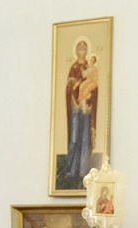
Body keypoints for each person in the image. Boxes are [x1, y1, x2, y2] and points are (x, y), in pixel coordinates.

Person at [63, 40, 97, 181]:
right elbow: (69, 87)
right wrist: (74, 88)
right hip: (75, 107)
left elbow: (95, 86)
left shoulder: (90, 67)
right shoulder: (74, 67)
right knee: (74, 137)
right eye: (80, 48)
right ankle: (72, 169)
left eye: (84, 48)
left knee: (85, 137)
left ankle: (84, 170)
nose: (82, 51)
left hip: (86, 107)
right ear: (76, 51)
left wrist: (89, 93)